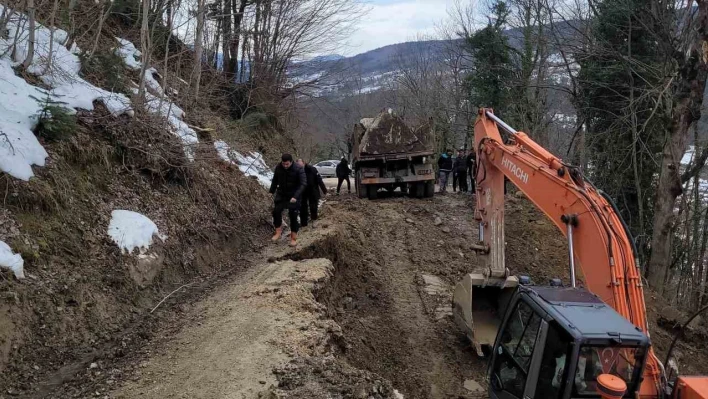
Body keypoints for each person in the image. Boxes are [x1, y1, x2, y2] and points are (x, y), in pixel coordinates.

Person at [269, 153, 307, 247]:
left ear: (291, 162)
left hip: (294, 195)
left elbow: (303, 184)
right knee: (276, 211)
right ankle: (278, 231)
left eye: (287, 164)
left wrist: (295, 196)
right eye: (283, 164)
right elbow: (275, 180)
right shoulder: (279, 167)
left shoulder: (298, 168)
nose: (285, 166)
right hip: (282, 194)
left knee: (293, 215)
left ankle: (293, 237)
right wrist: (271, 191)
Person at [296, 158, 327, 228]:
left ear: (303, 163)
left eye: (300, 165)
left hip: (312, 189)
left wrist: (324, 190)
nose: (299, 167)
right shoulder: (296, 171)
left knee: (313, 206)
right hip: (302, 191)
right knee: (302, 207)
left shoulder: (312, 169)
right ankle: (304, 223)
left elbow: (319, 180)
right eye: (297, 165)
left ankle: (314, 220)